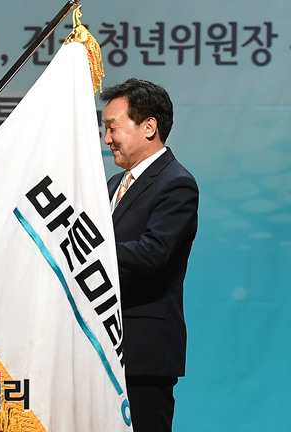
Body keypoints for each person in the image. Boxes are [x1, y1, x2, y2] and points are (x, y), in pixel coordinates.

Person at [100, 79, 198, 431]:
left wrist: (90, 252)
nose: (107, 139)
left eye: (112, 128)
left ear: (149, 126)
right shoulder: (113, 185)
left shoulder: (176, 183)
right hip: (100, 347)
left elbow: (154, 253)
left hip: (142, 354)